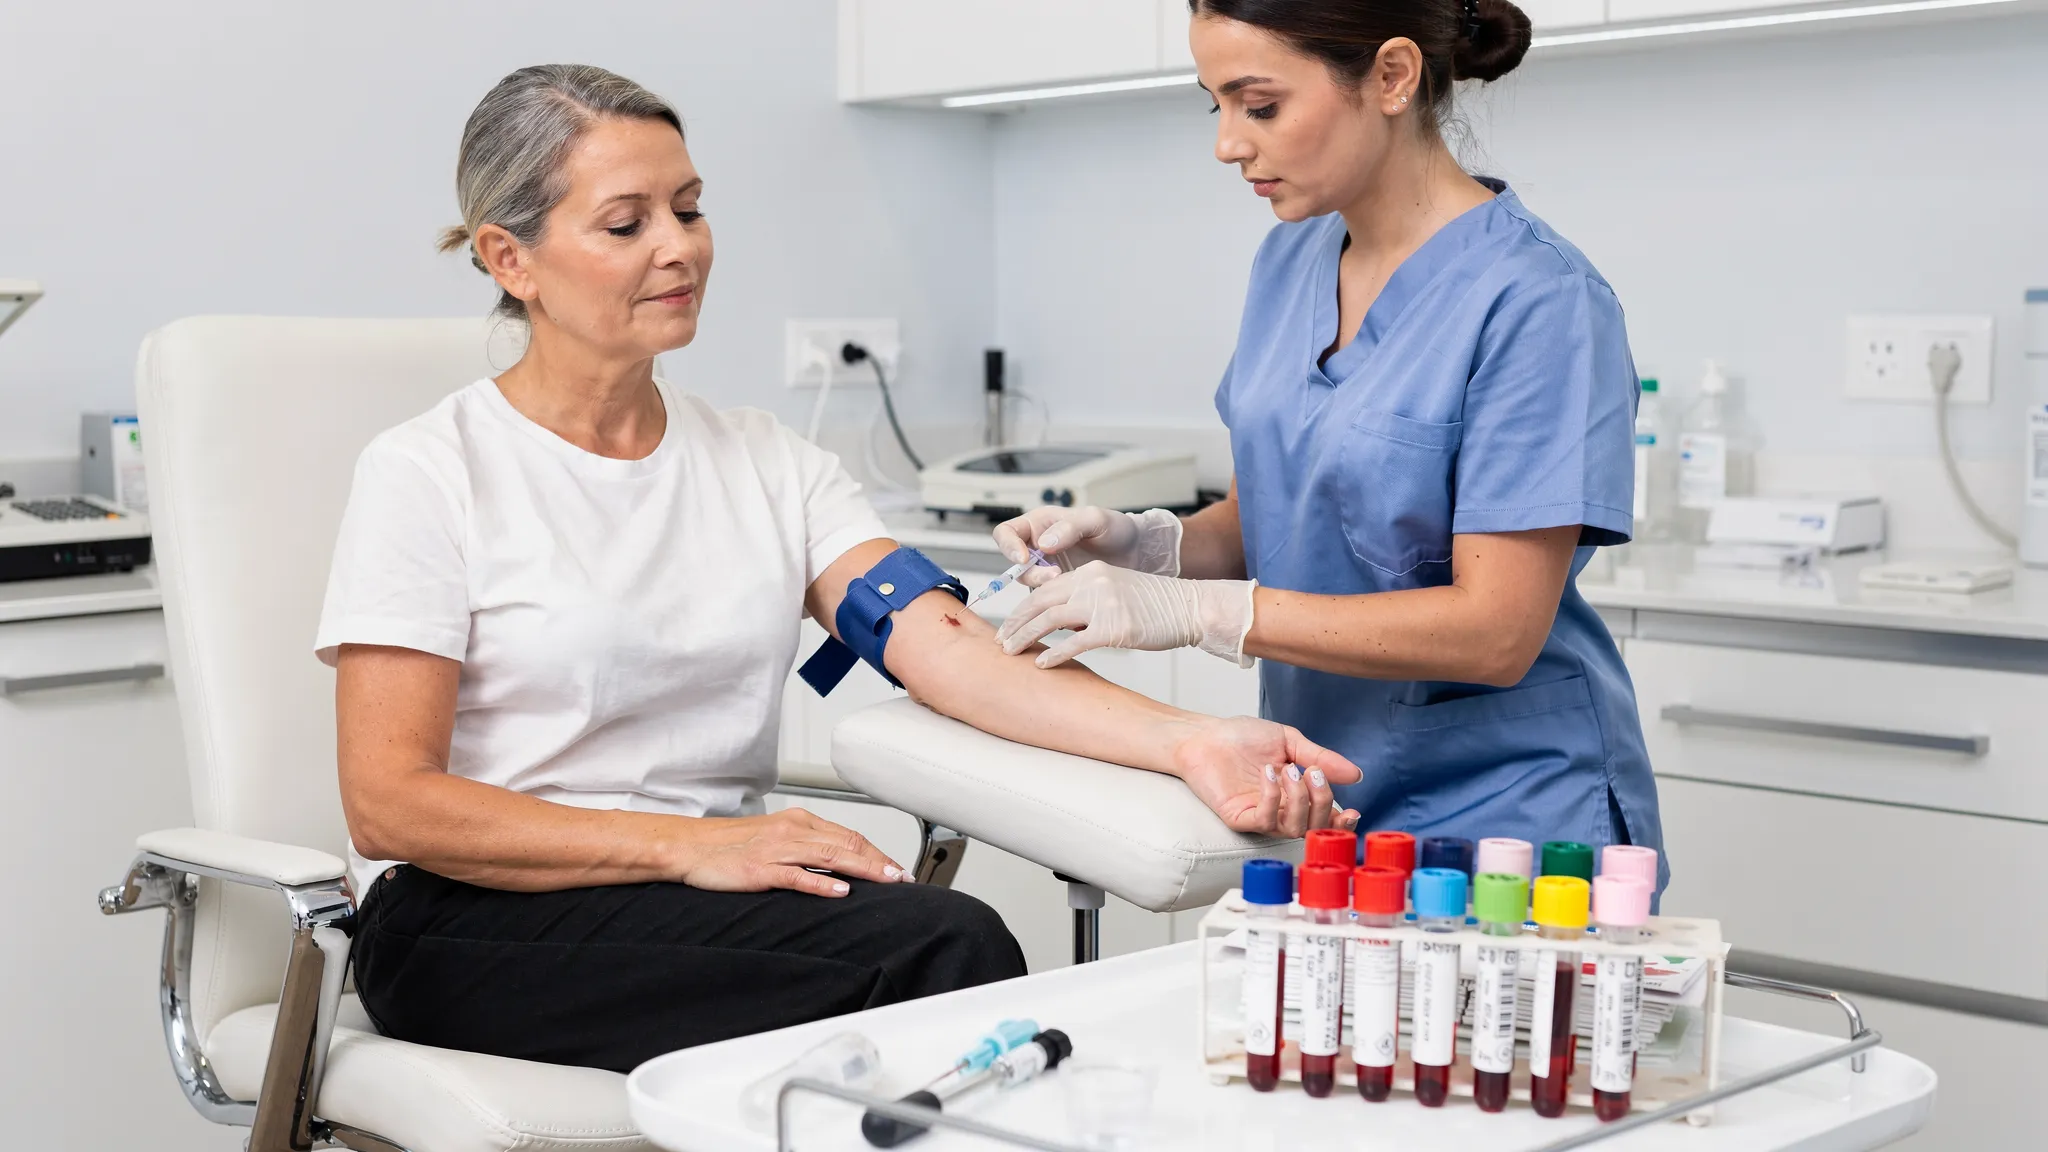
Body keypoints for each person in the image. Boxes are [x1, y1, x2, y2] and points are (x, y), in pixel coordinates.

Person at [320, 64, 1362, 1075]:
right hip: (468, 920)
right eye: (626, 222)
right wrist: (680, 848)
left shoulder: (766, 463)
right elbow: (392, 805)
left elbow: (948, 652)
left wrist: (1190, 742)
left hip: (700, 893)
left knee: (937, 947)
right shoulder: (430, 472)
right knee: (939, 948)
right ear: (511, 258)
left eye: (688, 208)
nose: (679, 247)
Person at [993, 0, 1665, 890]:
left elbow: (1497, 630)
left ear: (1391, 76)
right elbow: (1278, 513)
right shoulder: (1289, 261)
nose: (1229, 144)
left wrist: (1200, 614)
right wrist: (1148, 544)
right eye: (1216, 106)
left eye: (1259, 104)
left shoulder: (1538, 301)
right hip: (1328, 797)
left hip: (1511, 819)